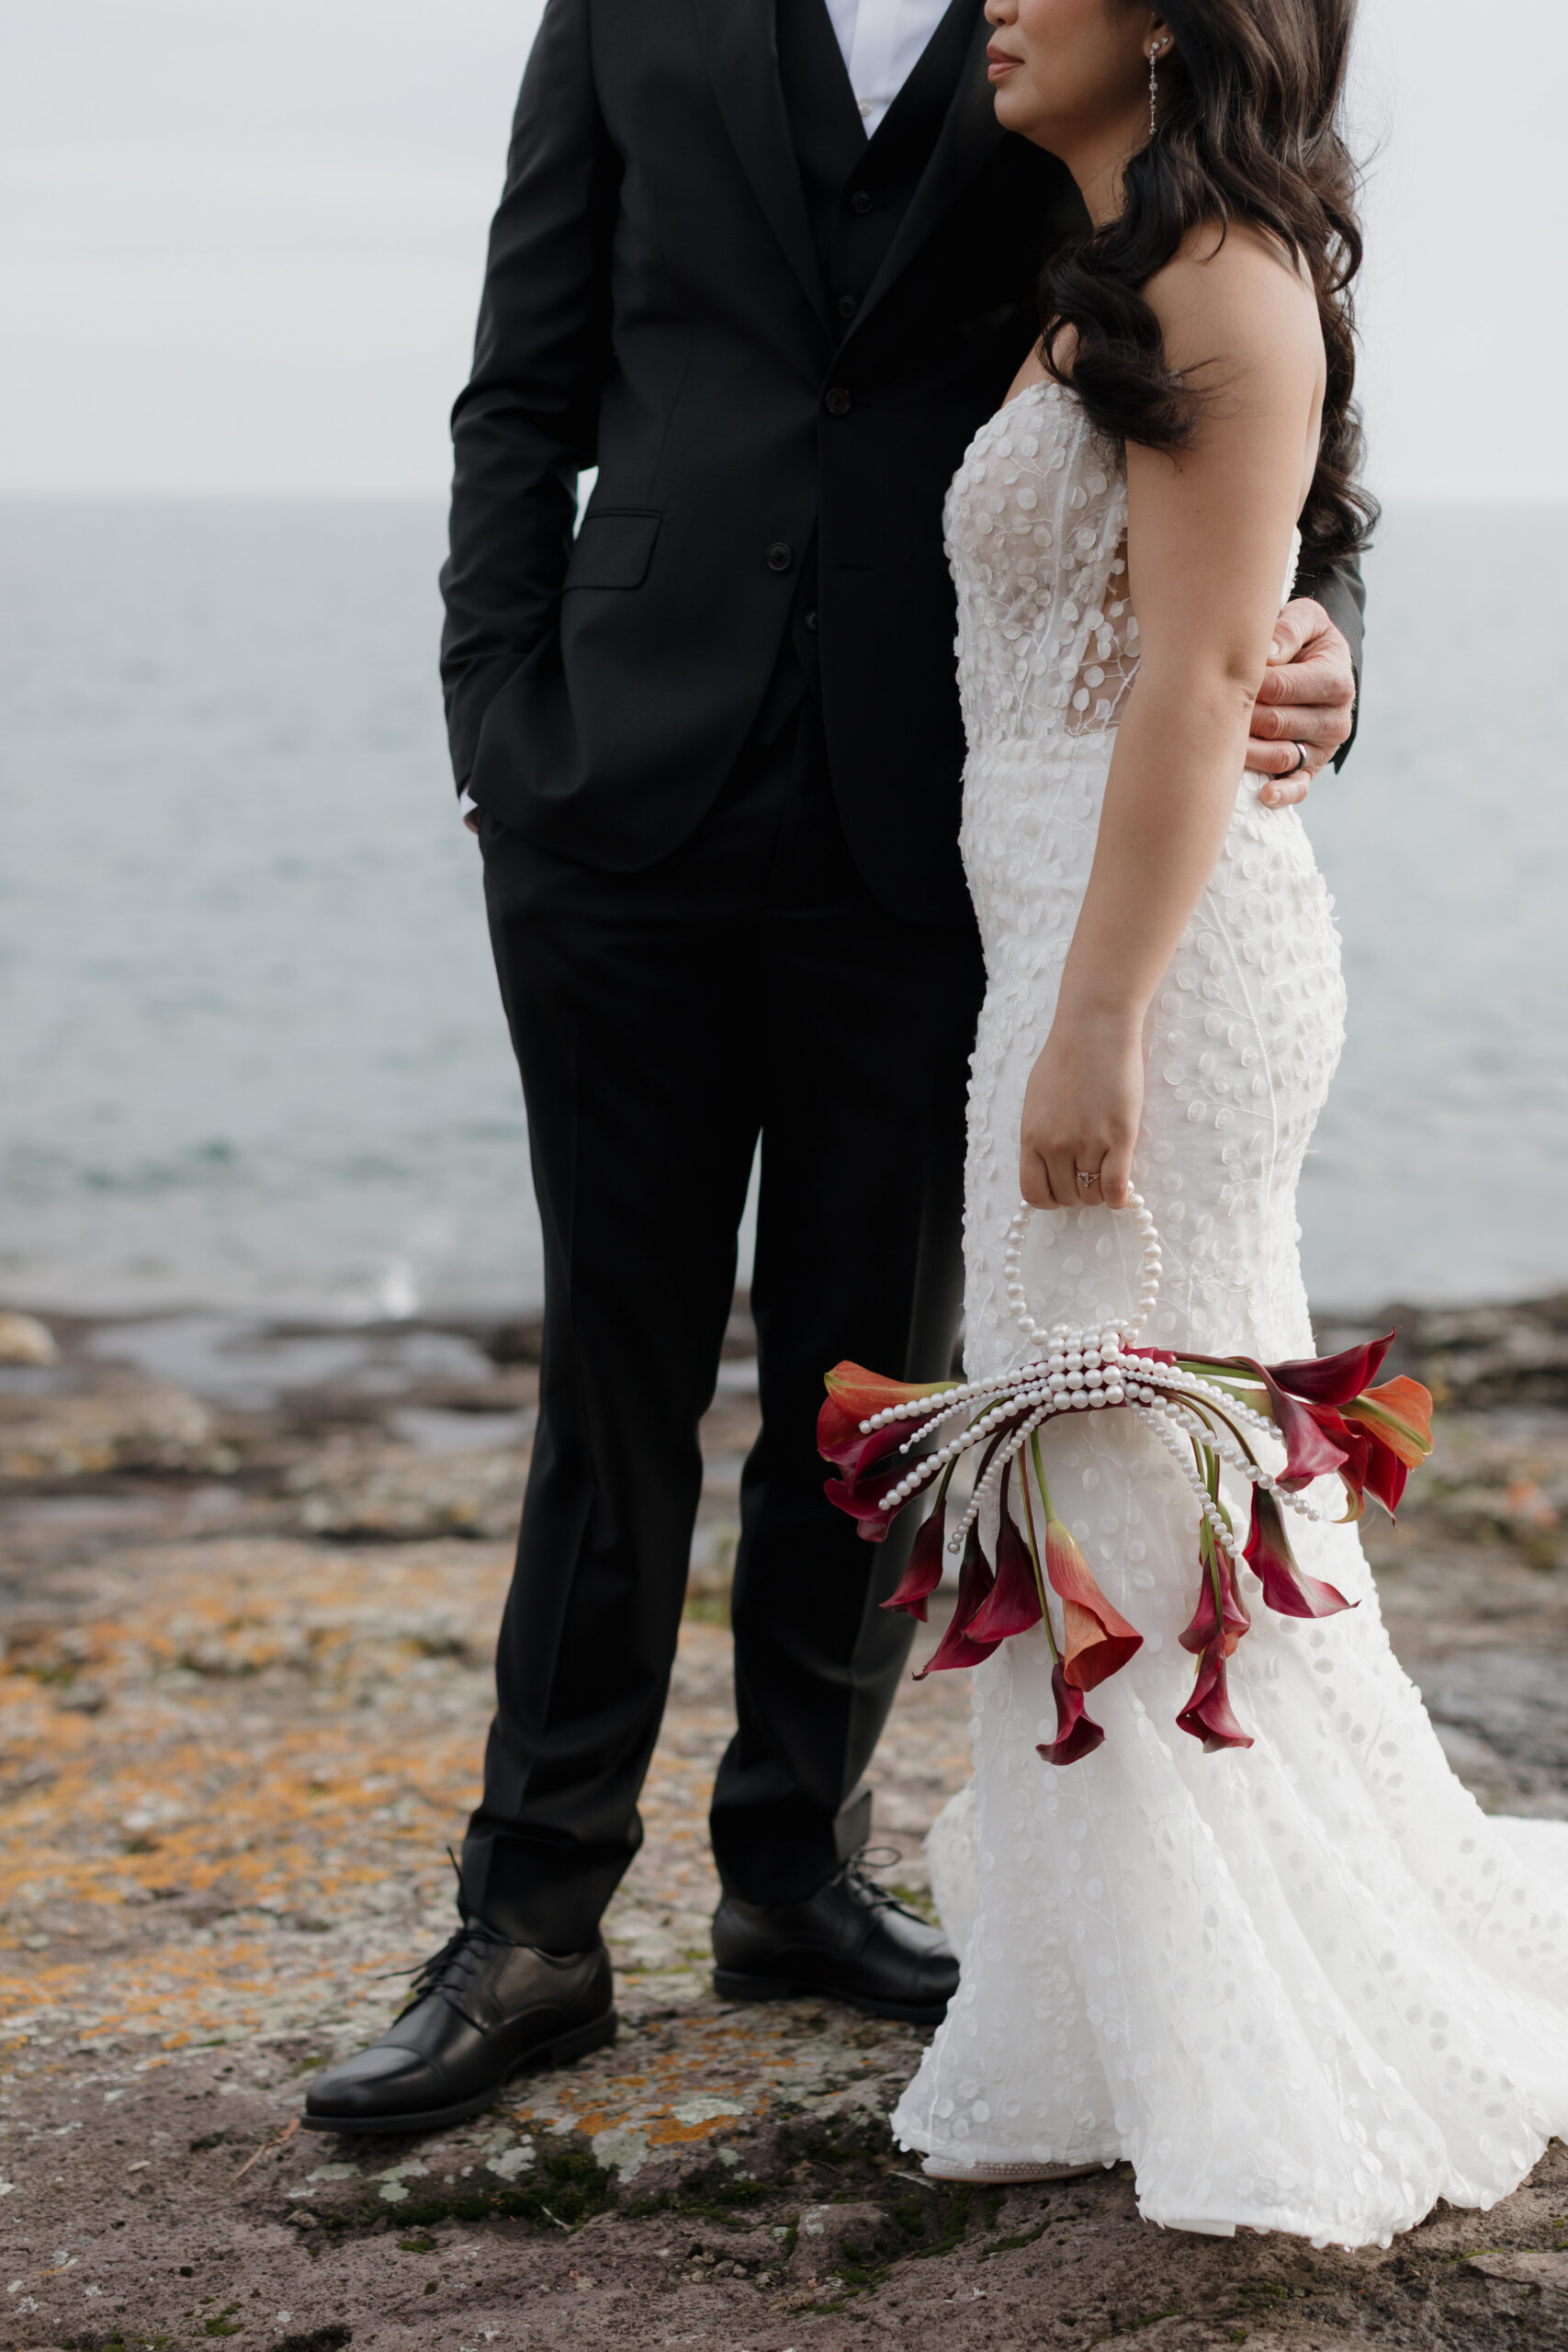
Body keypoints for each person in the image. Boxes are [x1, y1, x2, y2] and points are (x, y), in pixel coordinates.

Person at [303, 0, 1359, 2136]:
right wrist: (499, 732)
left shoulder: (1060, 24)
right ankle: (528, 1917)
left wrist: (1317, 642)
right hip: (615, 794)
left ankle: (795, 1862)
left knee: (872, 1380)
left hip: (945, 830)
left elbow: (1241, 346)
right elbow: (516, 388)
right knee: (610, 1363)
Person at [889, 0, 1568, 2249]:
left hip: (1148, 970)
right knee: (1101, 1459)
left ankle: (1260, 2010)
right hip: (1059, 944)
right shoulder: (1108, 265)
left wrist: (1093, 1018)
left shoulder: (1224, 276)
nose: (993, 2)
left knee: (1131, 1453)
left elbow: (1192, 678)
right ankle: (1126, 1999)